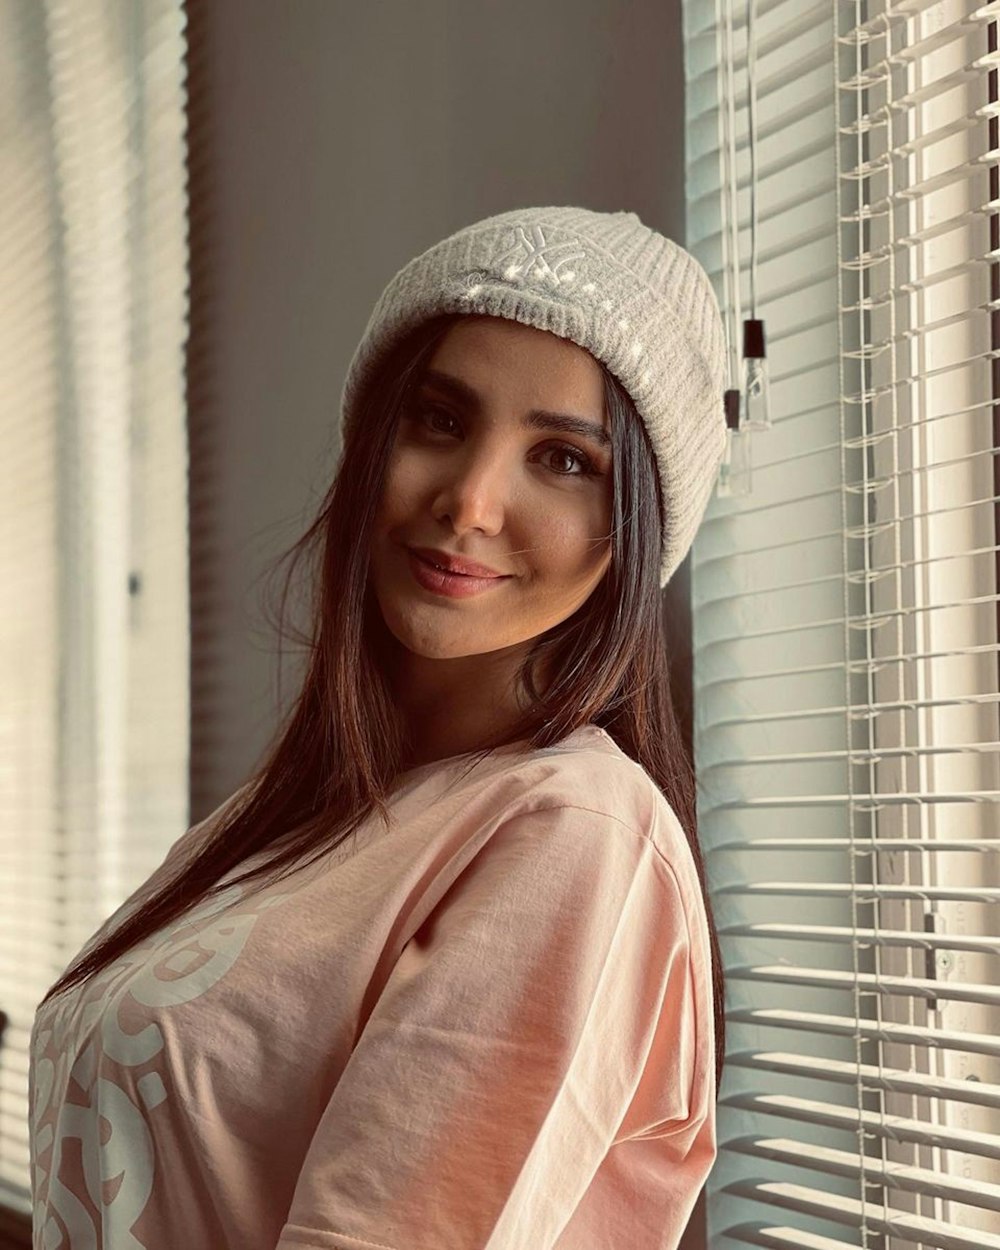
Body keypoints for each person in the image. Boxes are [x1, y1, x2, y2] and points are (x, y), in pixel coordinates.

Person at [28, 205, 728, 1250]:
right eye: (440, 420)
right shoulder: (296, 815)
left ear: (631, 530)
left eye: (564, 460)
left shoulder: (575, 830)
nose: (470, 501)